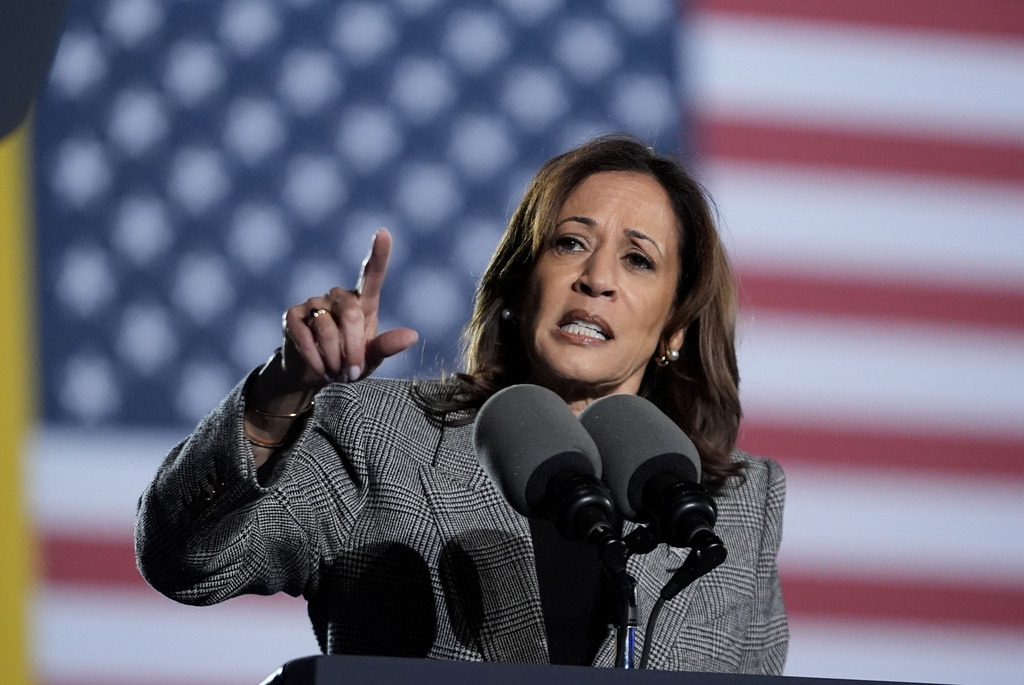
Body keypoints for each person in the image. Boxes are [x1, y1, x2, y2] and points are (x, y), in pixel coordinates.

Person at [135, 134, 787, 673]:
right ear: (521, 279)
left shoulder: (732, 505)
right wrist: (281, 389)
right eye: (570, 242)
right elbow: (188, 562)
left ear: (675, 324)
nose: (597, 278)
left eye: (638, 259)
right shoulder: (377, 435)